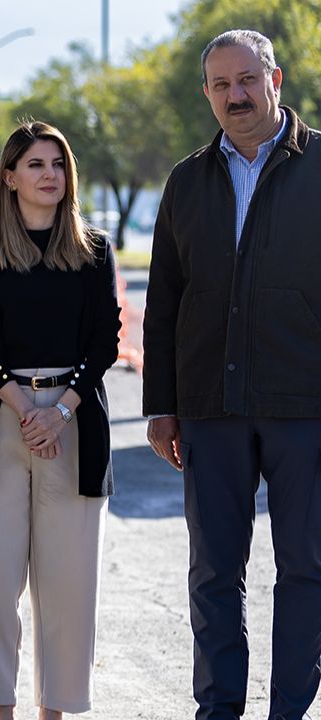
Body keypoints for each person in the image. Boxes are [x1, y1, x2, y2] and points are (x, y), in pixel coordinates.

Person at [143, 29, 321, 720]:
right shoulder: (188, 180)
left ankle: (289, 710)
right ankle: (218, 707)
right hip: (211, 406)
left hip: (305, 404)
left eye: (247, 80)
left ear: (276, 80)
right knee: (215, 571)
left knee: (305, 567)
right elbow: (165, 298)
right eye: (221, 84)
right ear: (207, 94)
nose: (235, 95)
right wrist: (161, 403)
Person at [0, 121, 120, 719]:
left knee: (69, 586)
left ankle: (57, 710)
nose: (50, 175)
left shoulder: (93, 249)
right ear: (10, 176)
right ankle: (2, 711)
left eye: (58, 164)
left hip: (73, 426)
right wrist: (25, 410)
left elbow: (105, 341)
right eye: (37, 164)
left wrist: (60, 411)